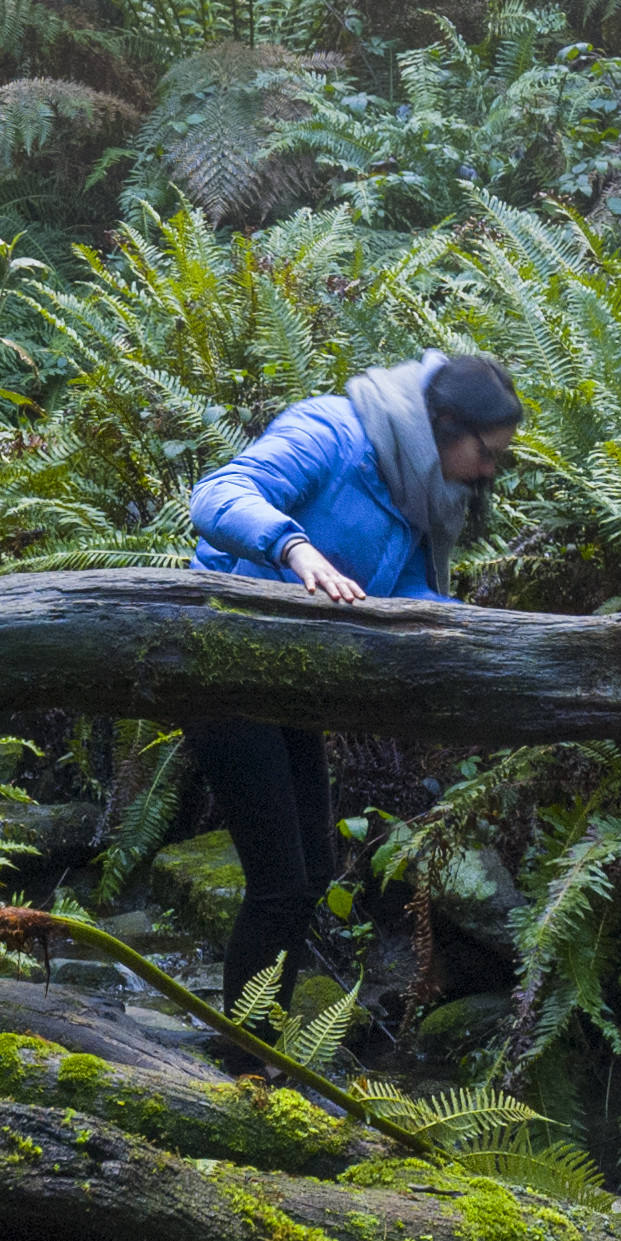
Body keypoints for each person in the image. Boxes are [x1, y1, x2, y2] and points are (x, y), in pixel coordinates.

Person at [180, 348, 522, 1002]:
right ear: (445, 425)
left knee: (309, 878)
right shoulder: (333, 431)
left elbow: (407, 593)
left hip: (293, 683)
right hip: (222, 664)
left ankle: (257, 1055)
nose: (489, 470)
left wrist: (481, 631)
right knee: (281, 883)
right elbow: (219, 493)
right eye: (487, 452)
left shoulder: (416, 491)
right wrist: (293, 546)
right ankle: (251, 1068)